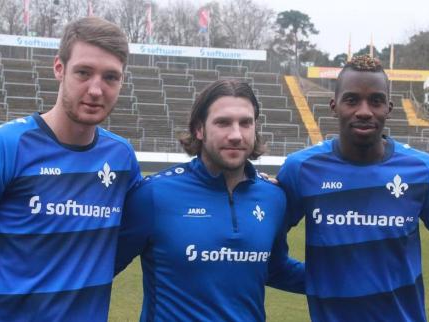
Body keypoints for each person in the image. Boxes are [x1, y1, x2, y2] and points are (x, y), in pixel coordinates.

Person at [0, 17, 141, 322]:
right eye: (83, 72)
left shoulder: (121, 158)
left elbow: (134, 236)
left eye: (110, 77)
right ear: (59, 68)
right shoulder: (3, 146)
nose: (96, 89)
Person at [277, 55, 429, 322]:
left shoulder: (425, 171)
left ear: (389, 108)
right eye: (351, 100)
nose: (364, 111)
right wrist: (318, 279)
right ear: (334, 106)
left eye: (376, 101)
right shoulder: (301, 169)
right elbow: (266, 242)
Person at [115, 79, 305, 321]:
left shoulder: (274, 197)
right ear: (199, 129)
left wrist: (350, 280)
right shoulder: (154, 194)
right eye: (223, 123)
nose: (236, 135)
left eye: (245, 123)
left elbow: (275, 268)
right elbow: (101, 269)